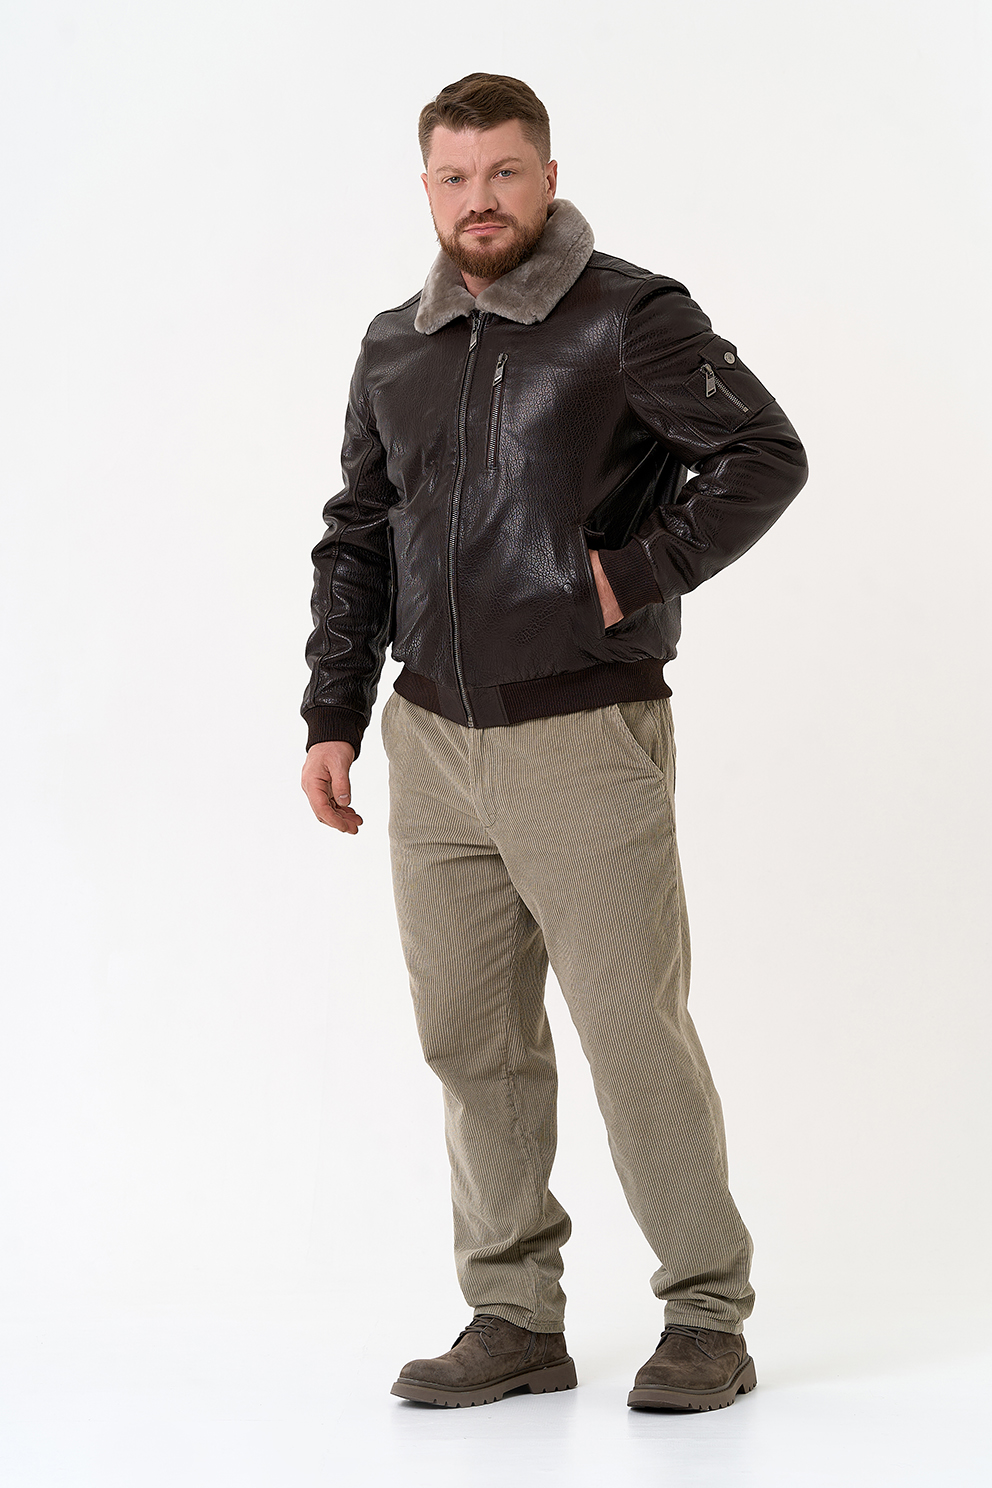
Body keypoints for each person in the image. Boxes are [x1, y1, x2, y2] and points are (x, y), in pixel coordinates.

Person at [301, 72, 807, 1413]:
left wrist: (633, 576)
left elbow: (763, 452)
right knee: (470, 1042)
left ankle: (707, 1311)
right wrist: (333, 714)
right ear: (428, 188)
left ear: (547, 175)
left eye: (504, 172)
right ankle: (514, 1316)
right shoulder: (394, 346)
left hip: (582, 733)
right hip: (431, 740)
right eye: (455, 177)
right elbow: (359, 534)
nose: (481, 200)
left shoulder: (629, 317)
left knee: (630, 1034)